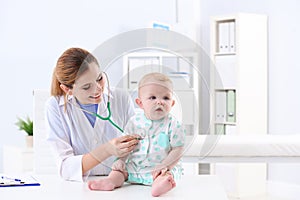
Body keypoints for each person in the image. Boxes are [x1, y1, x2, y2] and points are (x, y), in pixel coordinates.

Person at [45, 47, 139, 182]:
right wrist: (107, 149)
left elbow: (137, 148)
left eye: (99, 78)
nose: (98, 88)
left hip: (122, 183)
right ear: (68, 89)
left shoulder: (121, 98)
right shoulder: (55, 107)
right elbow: (66, 167)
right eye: (86, 87)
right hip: (80, 188)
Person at [88, 72, 185, 197]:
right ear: (140, 103)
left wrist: (165, 165)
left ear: (172, 103)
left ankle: (159, 185)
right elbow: (127, 145)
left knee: (167, 175)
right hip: (135, 168)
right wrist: (122, 160)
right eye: (153, 98)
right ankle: (111, 181)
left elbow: (178, 149)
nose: (160, 102)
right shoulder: (135, 122)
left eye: (166, 98)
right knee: (119, 170)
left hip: (160, 168)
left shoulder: (173, 124)